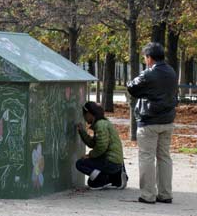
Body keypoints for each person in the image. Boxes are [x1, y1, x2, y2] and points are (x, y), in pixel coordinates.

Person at [127, 42, 178, 204]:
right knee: (164, 157)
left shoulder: (148, 74)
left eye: (145, 57)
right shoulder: (171, 72)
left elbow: (132, 87)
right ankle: (165, 194)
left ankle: (147, 195)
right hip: (167, 120)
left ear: (149, 58)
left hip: (148, 121)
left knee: (147, 157)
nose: (145, 60)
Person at [76, 101, 128, 190]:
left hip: (110, 162)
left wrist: (89, 155)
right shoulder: (103, 123)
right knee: (92, 182)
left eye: (84, 115)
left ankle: (104, 178)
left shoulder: (101, 125)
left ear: (89, 114)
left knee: (80, 164)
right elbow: (93, 144)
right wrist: (82, 132)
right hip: (115, 161)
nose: (84, 118)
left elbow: (101, 147)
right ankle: (116, 178)